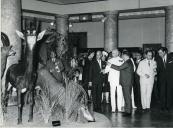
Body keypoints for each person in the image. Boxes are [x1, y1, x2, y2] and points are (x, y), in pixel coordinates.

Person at [107, 50, 134, 116]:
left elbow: (119, 68)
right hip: (127, 82)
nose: (122, 57)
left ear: (125, 56)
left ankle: (128, 112)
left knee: (127, 97)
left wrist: (110, 65)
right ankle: (128, 110)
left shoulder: (127, 62)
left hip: (126, 82)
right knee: (127, 97)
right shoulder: (129, 61)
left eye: (123, 55)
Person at [156, 47, 173, 112]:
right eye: (158, 53)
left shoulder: (171, 57)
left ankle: (168, 106)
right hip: (161, 79)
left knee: (169, 93)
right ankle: (162, 106)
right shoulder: (157, 59)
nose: (159, 54)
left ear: (164, 52)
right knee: (162, 93)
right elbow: (158, 69)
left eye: (160, 52)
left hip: (170, 79)